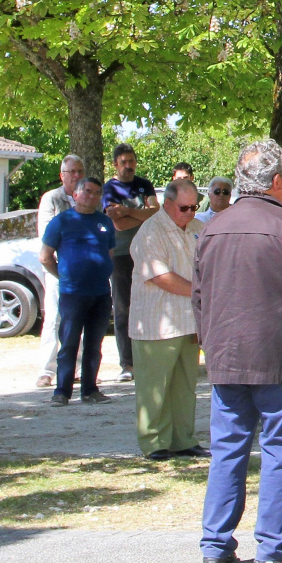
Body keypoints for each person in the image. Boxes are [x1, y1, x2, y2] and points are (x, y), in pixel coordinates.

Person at [193, 138, 282, 563]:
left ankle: (216, 544)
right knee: (280, 450)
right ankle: (273, 545)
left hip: (229, 356)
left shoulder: (213, 227)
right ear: (276, 181)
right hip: (281, 356)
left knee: (228, 449)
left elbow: (199, 297)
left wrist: (208, 345)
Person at [130, 177, 206, 458]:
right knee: (155, 387)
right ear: (167, 203)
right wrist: (202, 292)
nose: (189, 213)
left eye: (194, 207)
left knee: (185, 385)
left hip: (189, 321)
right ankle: (154, 442)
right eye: (183, 208)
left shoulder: (200, 228)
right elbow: (160, 276)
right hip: (157, 323)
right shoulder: (150, 231)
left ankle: (183, 439)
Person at [41, 176, 117, 405]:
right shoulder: (62, 222)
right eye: (88, 192)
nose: (92, 197)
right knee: (70, 342)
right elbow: (45, 257)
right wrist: (64, 276)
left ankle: (90, 390)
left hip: (101, 293)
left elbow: (110, 255)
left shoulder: (104, 222)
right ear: (75, 194)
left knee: (94, 344)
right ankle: (62, 392)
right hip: (73, 293)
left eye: (96, 193)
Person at [102, 142, 160, 384]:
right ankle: (127, 363)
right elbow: (118, 224)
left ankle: (149, 358)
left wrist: (127, 211)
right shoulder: (110, 188)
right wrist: (139, 214)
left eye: (132, 161)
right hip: (122, 254)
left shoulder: (144, 185)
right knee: (124, 308)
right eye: (123, 162)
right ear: (115, 164)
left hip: (147, 253)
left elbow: (156, 213)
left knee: (150, 304)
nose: (128, 166)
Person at [33, 155, 84, 390]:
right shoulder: (52, 199)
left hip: (83, 271)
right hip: (57, 269)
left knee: (80, 320)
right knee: (54, 319)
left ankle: (80, 369)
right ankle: (46, 371)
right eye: (71, 171)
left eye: (79, 171)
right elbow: (47, 237)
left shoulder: (89, 199)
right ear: (62, 175)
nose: (75, 176)